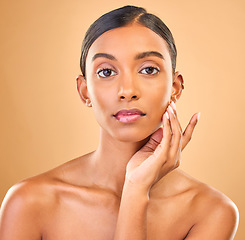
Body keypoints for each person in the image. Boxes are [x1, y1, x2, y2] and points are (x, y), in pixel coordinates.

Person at [0, 5, 239, 239]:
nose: (127, 91)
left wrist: (136, 189)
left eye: (148, 70)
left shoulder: (211, 212)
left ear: (175, 87)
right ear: (84, 92)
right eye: (106, 72)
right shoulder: (29, 203)